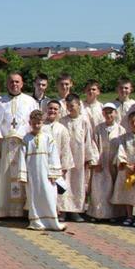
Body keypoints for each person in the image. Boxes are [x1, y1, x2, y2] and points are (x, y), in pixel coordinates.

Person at [0, 72, 39, 219]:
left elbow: (35, 123)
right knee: (4, 177)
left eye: (17, 82)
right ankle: (5, 211)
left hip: (23, 145)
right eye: (11, 82)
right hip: (6, 146)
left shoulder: (30, 101)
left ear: (22, 84)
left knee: (23, 176)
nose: (14, 84)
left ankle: (23, 210)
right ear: (7, 84)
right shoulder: (1, 102)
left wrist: (25, 135)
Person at [18, 110, 65, 231]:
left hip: (46, 174)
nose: (36, 125)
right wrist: (23, 175)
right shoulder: (26, 139)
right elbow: (21, 157)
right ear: (30, 123)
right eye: (34, 123)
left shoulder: (48, 138)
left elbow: (53, 156)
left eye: (39, 123)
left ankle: (52, 222)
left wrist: (53, 173)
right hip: (32, 174)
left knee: (49, 195)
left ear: (42, 123)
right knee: (34, 196)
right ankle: (36, 222)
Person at [60, 94, 95, 222]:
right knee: (65, 182)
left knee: (77, 183)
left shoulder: (84, 121)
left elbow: (88, 140)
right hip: (66, 156)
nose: (70, 108)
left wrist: (89, 158)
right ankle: (63, 210)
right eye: (68, 106)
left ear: (79, 105)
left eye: (72, 105)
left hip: (79, 157)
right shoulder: (63, 121)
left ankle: (75, 211)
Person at [87, 102, 122, 221]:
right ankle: (97, 214)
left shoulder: (120, 130)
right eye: (106, 112)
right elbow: (93, 145)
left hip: (114, 164)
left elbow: (122, 148)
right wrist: (95, 162)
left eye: (111, 112)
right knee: (99, 189)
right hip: (101, 164)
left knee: (113, 189)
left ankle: (113, 214)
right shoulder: (98, 128)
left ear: (115, 113)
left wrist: (118, 161)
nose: (108, 115)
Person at [43, 100, 74, 222]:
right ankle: (45, 211)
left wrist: (64, 166)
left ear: (59, 111)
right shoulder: (42, 127)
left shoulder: (62, 129)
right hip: (44, 164)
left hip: (57, 165)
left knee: (57, 189)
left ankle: (59, 211)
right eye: (50, 108)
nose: (52, 111)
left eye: (55, 109)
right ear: (46, 109)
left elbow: (66, 149)